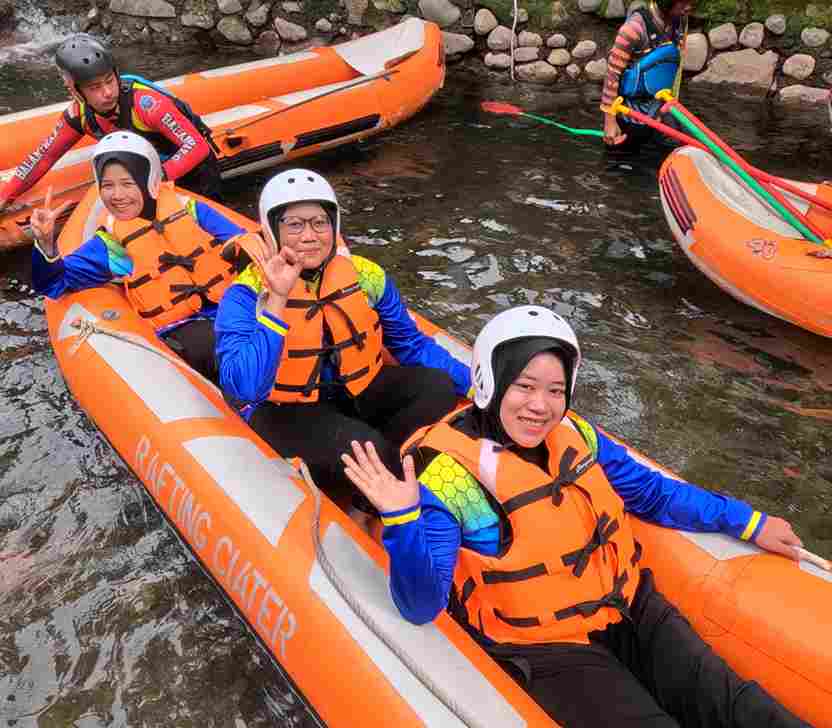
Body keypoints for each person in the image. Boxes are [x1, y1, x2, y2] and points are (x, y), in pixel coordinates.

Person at [341, 305, 808, 727]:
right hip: (543, 648)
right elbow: (421, 604)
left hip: (628, 604)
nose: (540, 405)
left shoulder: (578, 434)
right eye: (524, 386)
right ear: (489, 381)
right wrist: (402, 518)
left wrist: (747, 521)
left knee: (737, 705)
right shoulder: (446, 477)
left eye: (555, 390)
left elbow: (650, 493)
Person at [215, 168, 471, 509]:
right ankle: (384, 496)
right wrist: (277, 299)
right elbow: (242, 386)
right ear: (272, 230)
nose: (310, 236)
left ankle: (385, 464)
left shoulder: (366, 275)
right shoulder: (246, 294)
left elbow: (411, 345)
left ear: (334, 225)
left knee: (437, 387)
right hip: (285, 410)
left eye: (319, 222)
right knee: (368, 450)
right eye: (294, 224)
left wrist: (474, 384)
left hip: (355, 390)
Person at [31, 131, 251, 380]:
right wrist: (46, 244)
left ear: (151, 181)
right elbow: (54, 283)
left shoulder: (192, 210)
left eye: (127, 183)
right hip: (185, 330)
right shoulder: (113, 245)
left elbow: (246, 246)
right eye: (107, 186)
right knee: (215, 346)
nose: (117, 195)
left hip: (234, 307)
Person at [0, 34, 221, 212]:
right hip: (145, 179)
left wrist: (155, 177)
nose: (107, 93)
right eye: (95, 87)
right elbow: (43, 157)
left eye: (109, 81)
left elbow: (197, 147)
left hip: (194, 173)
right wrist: (6, 195)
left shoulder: (147, 104)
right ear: (75, 90)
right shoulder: (79, 116)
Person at [602, 0, 694, 149]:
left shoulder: (680, 21)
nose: (688, 7)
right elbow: (612, 75)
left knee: (683, 145)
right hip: (629, 114)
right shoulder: (633, 28)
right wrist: (609, 122)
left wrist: (671, 104)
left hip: (659, 107)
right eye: (682, 3)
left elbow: (675, 69)